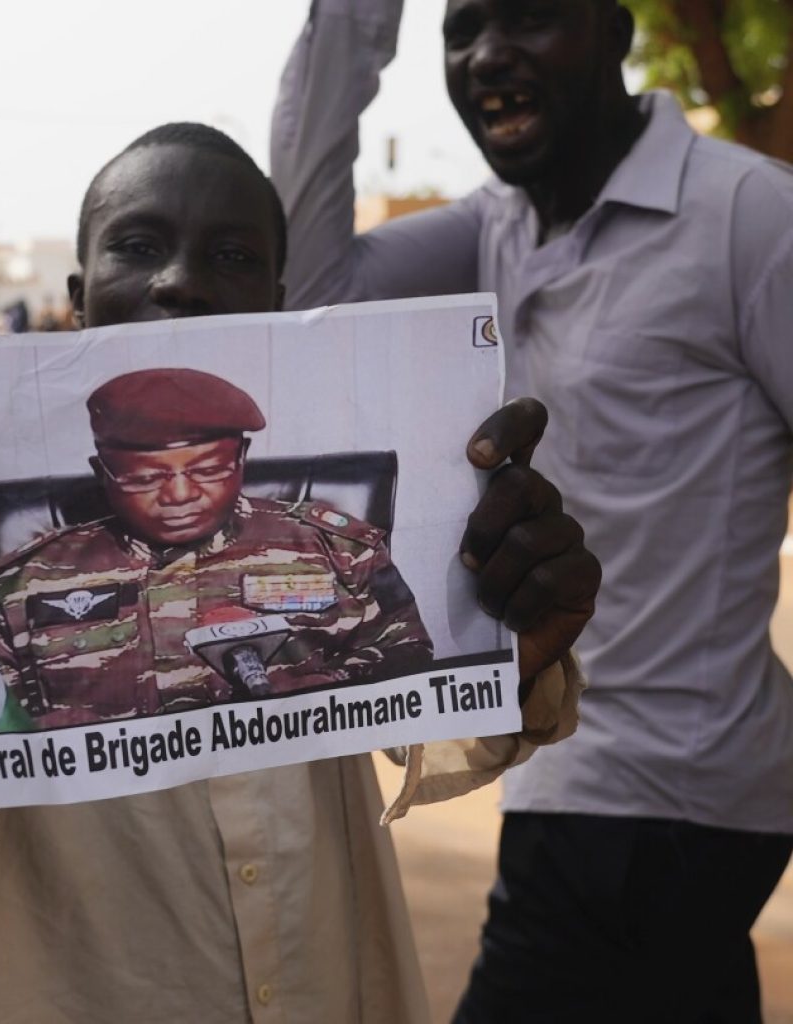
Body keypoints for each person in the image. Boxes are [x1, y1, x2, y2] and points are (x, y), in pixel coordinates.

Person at [0, 124, 598, 1023]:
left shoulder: (336, 545)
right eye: (137, 246)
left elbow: (437, 730)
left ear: (277, 306)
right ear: (79, 298)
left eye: (234, 254)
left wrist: (511, 643)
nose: (181, 280)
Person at [271, 2, 793, 1021]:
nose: (488, 56)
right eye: (461, 31)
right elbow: (308, 296)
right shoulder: (495, 229)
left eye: (530, 20)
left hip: (661, 792)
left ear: (612, 32)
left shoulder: (747, 216)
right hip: (573, 772)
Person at [0, 366, 433, 728]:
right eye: (145, 477)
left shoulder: (337, 548)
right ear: (101, 471)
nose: (181, 495)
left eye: (208, 470)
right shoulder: (20, 586)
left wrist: (315, 694)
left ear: (242, 458)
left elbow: (410, 664)